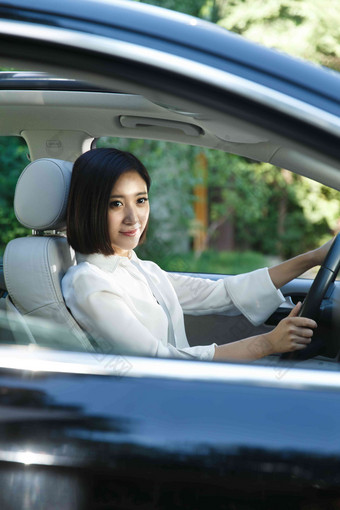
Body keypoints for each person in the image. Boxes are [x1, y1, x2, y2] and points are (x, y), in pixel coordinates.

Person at [62, 148, 331, 362]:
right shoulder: (88, 282)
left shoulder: (139, 267)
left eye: (141, 200)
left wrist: (314, 257)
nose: (134, 217)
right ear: (90, 209)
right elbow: (157, 360)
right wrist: (266, 344)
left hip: (181, 387)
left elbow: (221, 294)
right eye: (116, 203)